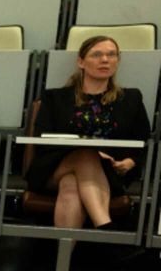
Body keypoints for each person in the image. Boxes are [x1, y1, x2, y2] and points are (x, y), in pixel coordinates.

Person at [24, 35, 152, 229]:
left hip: (109, 172)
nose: (105, 60)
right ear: (81, 62)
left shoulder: (131, 98)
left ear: (118, 60)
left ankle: (64, 258)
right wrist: (93, 154)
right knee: (86, 155)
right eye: (97, 55)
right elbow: (43, 139)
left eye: (111, 54)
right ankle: (105, 226)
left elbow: (144, 139)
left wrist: (130, 161)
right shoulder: (55, 98)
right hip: (55, 168)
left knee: (70, 189)